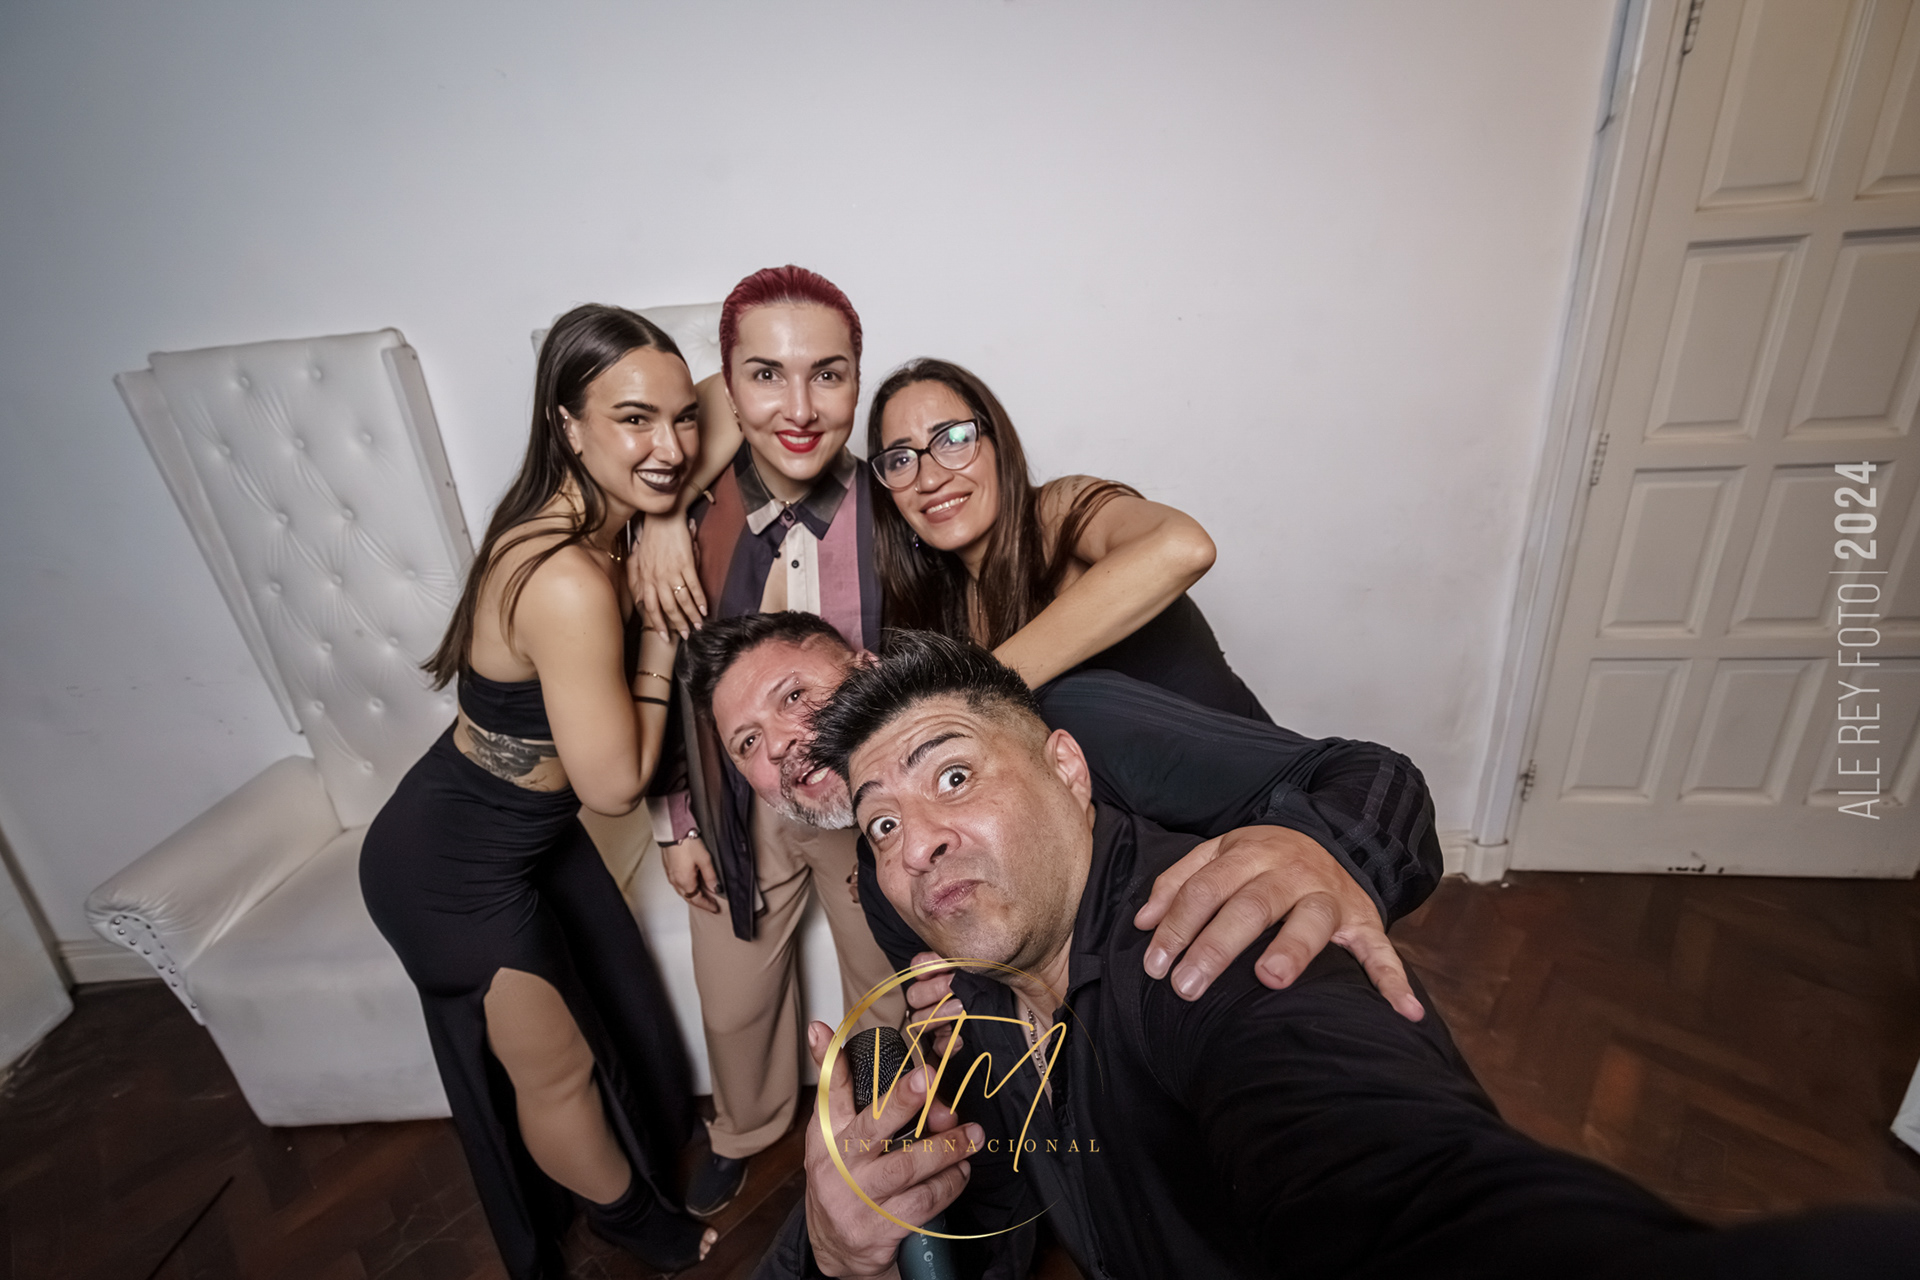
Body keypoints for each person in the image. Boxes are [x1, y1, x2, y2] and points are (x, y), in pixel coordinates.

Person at [764, 633, 1920, 1279]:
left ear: (1068, 768)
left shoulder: (1219, 960)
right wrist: (834, 1244)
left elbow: (1403, 1183)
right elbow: (1004, 1190)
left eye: (954, 773)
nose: (918, 838)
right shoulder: (977, 981)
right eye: (883, 821)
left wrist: (1317, 850)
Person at [358, 305, 714, 1278]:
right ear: (566, 423)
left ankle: (635, 1175)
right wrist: (660, 633)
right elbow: (614, 786)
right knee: (557, 1073)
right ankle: (633, 1223)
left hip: (523, 837)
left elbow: (731, 388)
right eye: (633, 419)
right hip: (451, 872)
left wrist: (665, 520)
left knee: (614, 1011)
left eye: (680, 417)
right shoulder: (566, 577)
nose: (671, 445)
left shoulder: (587, 516)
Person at [681, 609, 1437, 1015]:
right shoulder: (888, 880)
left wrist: (1321, 852)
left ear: (865, 668)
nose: (781, 744)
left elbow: (1371, 774)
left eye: (794, 696)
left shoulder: (1074, 723)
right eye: (748, 743)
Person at [632, 266, 908, 1218]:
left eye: (827, 374)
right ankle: (746, 1130)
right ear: (728, 387)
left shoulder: (896, 509)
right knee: (734, 996)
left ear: (857, 380)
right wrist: (676, 824)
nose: (798, 408)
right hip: (735, 804)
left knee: (888, 981)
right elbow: (666, 688)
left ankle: (889, 1126)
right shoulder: (678, 518)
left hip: (863, 803)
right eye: (765, 375)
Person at [866, 357, 1266, 719]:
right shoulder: (937, 613)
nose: (930, 479)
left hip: (1257, 773)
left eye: (954, 439)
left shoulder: (1055, 512)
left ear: (998, 444)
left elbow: (1182, 547)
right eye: (900, 459)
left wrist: (981, 687)